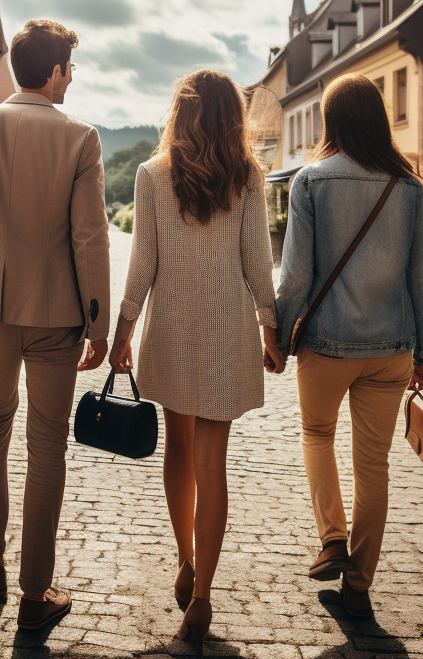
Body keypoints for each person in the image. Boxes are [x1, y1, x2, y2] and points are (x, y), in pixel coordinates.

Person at [0, 19, 110, 631]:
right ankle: (37, 594)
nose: (69, 80)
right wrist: (98, 321)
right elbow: (90, 238)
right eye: (70, 69)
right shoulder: (81, 139)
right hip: (58, 314)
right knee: (47, 443)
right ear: (56, 72)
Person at [109, 69, 280, 653]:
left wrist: (123, 331)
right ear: (234, 117)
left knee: (177, 452)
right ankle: (202, 593)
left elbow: (142, 266)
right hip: (227, 340)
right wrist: (270, 326)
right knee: (215, 468)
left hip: (172, 336)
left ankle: (183, 559)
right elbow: (259, 260)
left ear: (179, 113)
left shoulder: (153, 176)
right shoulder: (248, 178)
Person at [271, 72, 423, 620]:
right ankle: (359, 585)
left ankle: (332, 539)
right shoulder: (409, 187)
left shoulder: (311, 181)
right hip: (391, 349)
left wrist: (276, 332)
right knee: (375, 467)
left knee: (317, 435)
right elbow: (420, 280)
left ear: (331, 121)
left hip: (326, 346)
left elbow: (295, 276)